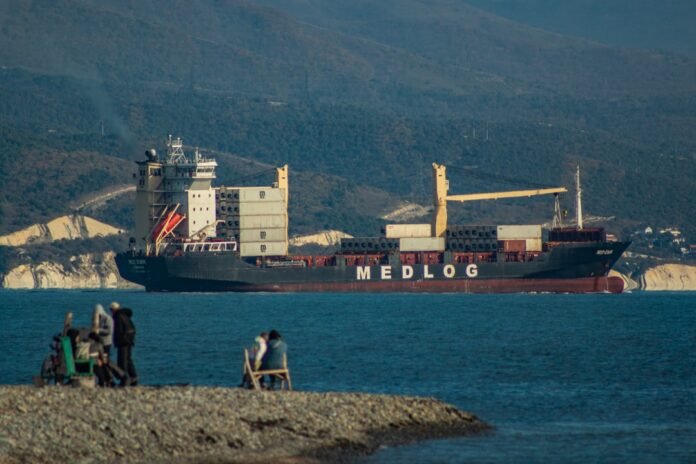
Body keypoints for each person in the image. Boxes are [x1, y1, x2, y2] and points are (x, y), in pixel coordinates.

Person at [110, 302, 138, 387]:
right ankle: (133, 377)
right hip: (129, 341)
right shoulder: (125, 317)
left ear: (113, 309)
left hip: (123, 342)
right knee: (128, 360)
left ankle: (124, 379)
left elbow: (119, 331)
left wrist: (119, 341)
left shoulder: (118, 317)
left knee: (122, 361)